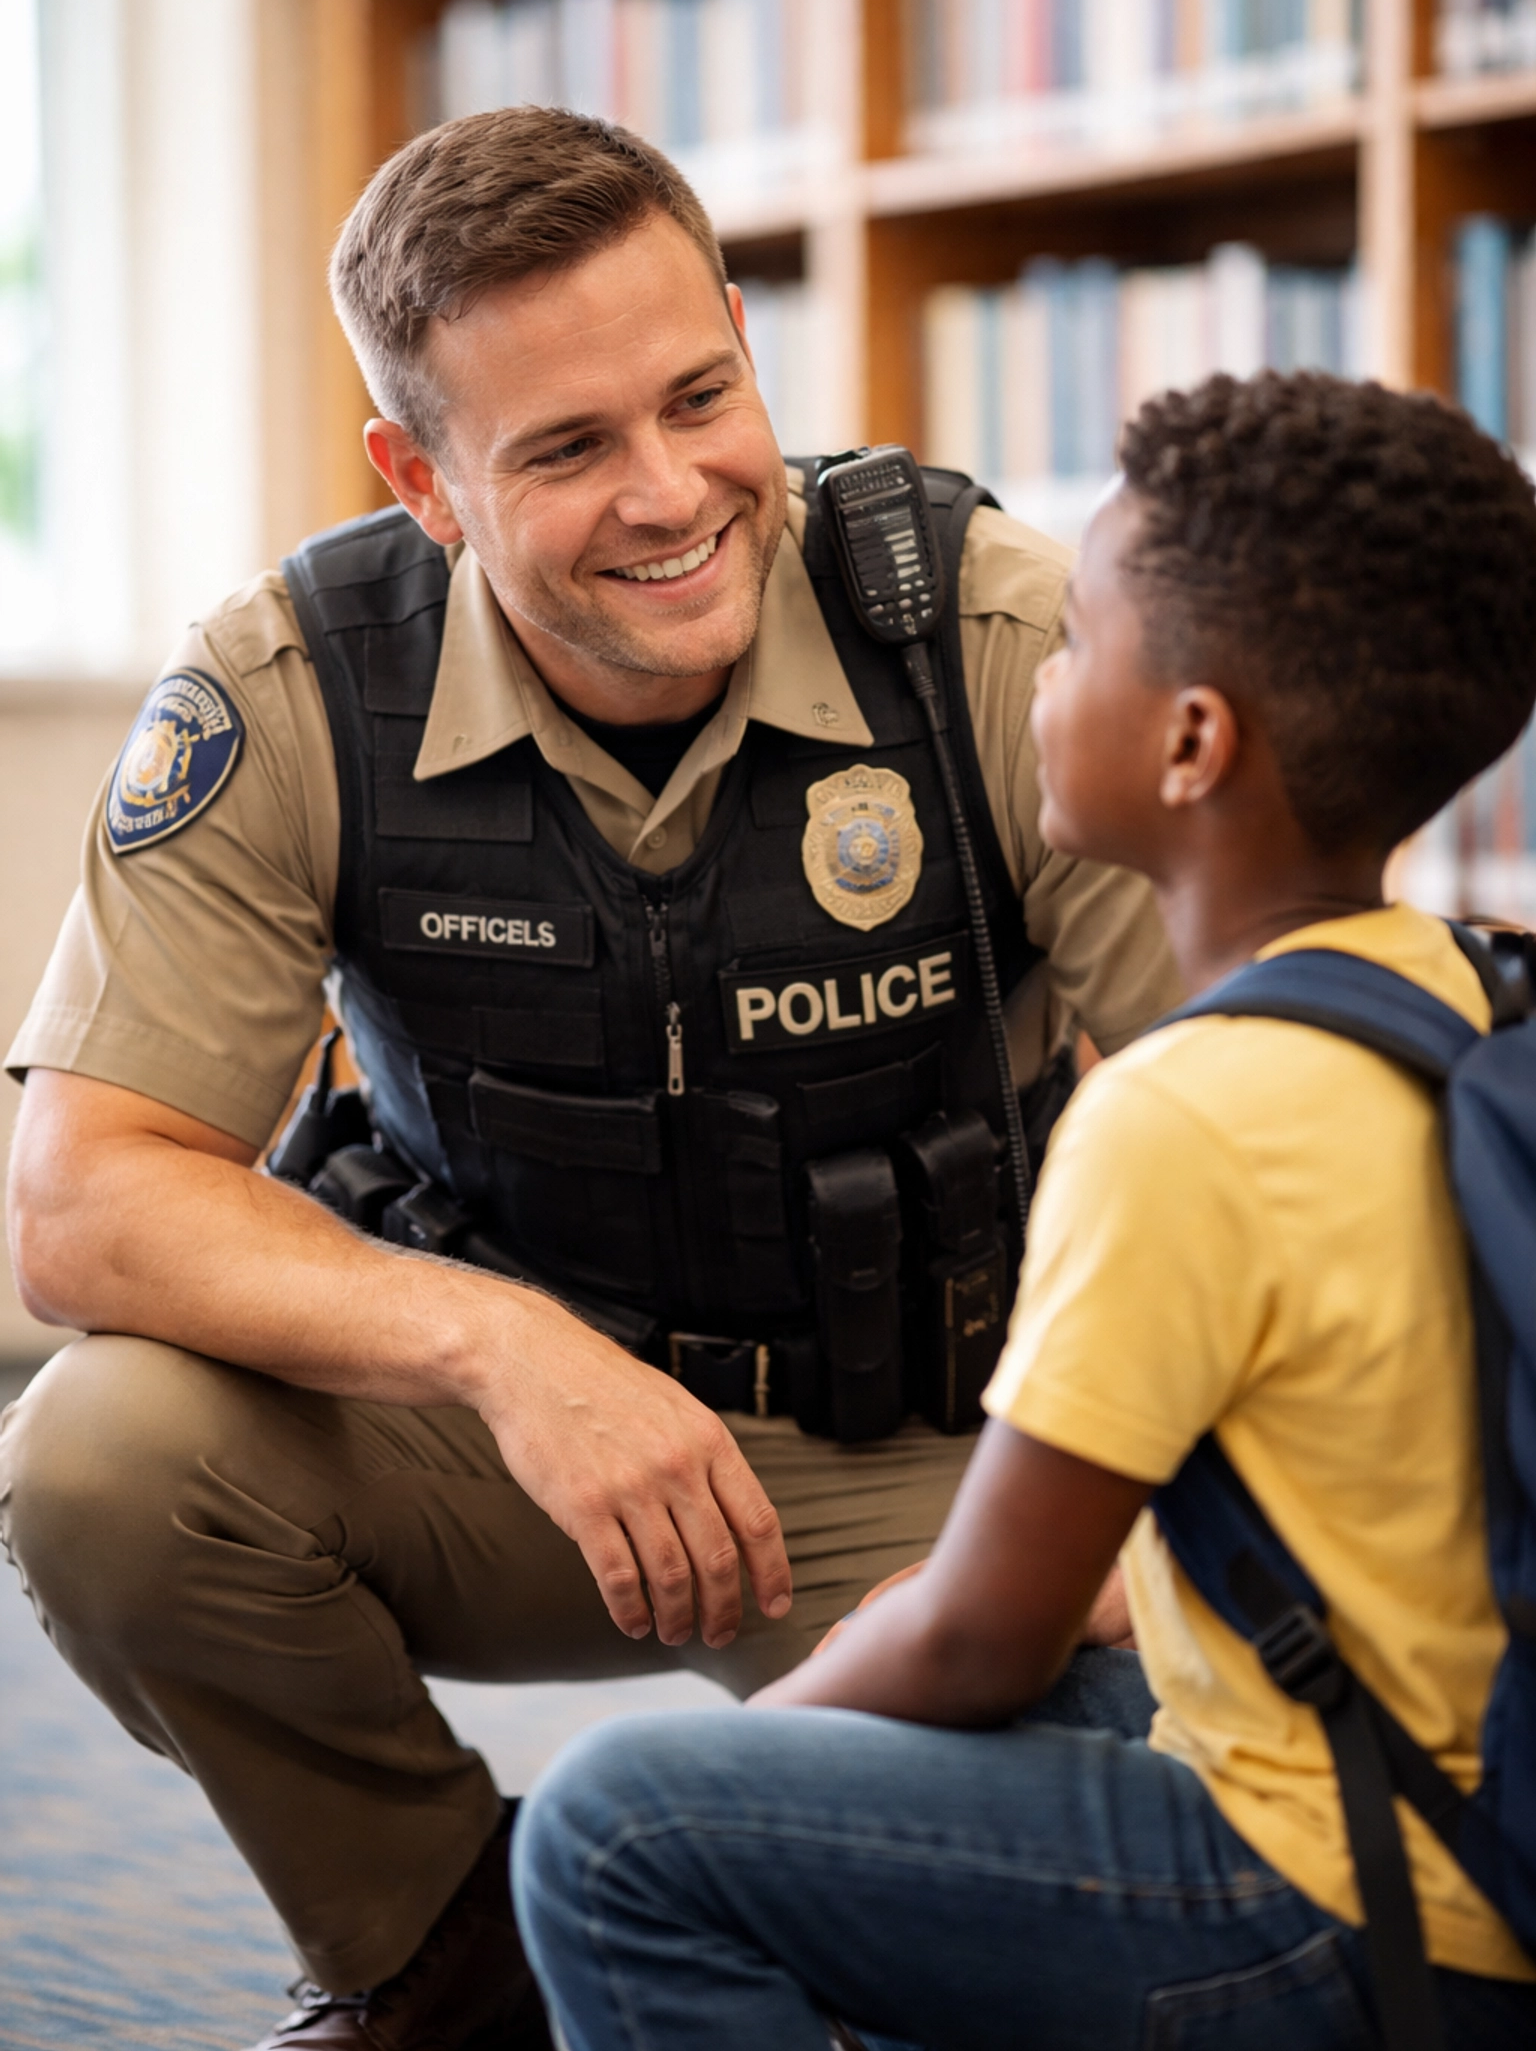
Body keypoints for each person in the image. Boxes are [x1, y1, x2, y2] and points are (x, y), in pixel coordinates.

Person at [0, 107, 1180, 2051]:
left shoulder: (988, 625)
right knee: (104, 1466)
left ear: (739, 329)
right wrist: (501, 1352)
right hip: (530, 1460)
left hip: (955, 1454)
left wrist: (1154, 1500)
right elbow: (82, 1196)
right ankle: (440, 1957)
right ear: (426, 477)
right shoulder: (294, 687)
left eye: (698, 393)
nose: (671, 492)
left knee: (1155, 1877)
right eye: (564, 447)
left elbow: (1259, 1082)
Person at [511, 370, 1536, 2050]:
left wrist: (780, 1742)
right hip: (1484, 1836)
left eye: (1078, 646)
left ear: (1193, 741)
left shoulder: (1180, 1115)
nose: (1039, 681)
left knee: (621, 1825)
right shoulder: (1466, 1005)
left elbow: (981, 1637)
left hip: (1341, 1913)